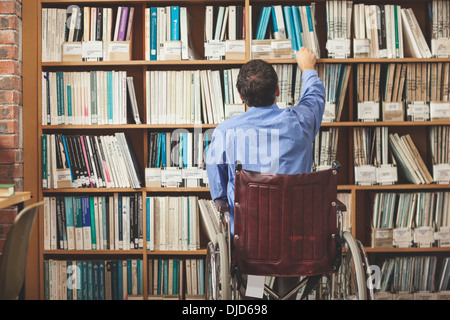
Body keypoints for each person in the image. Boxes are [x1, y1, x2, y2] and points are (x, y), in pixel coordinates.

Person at [205, 47, 326, 298]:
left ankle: (256, 296)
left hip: (250, 240)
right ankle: (287, 294)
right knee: (288, 253)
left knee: (254, 269)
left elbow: (218, 194)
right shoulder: (301, 122)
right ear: (278, 90)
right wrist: (308, 68)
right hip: (297, 237)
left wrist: (228, 202)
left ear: (241, 96)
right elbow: (314, 96)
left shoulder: (225, 132)